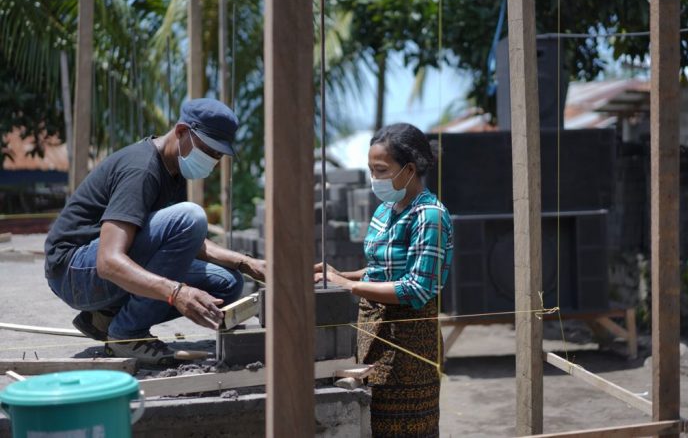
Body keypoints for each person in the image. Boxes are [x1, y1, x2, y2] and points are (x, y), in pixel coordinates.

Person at [45, 98, 265, 365]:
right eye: (209, 151)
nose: (213, 161)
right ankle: (127, 334)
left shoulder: (174, 171)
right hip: (73, 272)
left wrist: (246, 263)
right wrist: (176, 292)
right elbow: (108, 262)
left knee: (228, 284)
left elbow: (188, 242)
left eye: (218, 155)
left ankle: (106, 317)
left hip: (95, 269)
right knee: (191, 216)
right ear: (182, 131)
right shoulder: (142, 169)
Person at [314, 123, 453, 437]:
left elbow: (417, 288)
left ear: (409, 169)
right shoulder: (386, 211)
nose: (374, 178)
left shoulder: (429, 215)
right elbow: (381, 268)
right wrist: (339, 275)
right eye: (370, 170)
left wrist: (350, 287)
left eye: (380, 170)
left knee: (407, 429)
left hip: (409, 346)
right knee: (373, 424)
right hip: (372, 337)